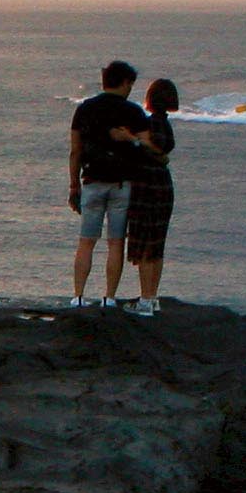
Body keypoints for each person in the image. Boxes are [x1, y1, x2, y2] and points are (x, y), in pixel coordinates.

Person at [66, 59, 146, 302]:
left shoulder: (85, 109)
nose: (131, 88)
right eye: (130, 83)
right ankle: (109, 297)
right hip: (122, 183)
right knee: (115, 243)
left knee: (86, 242)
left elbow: (75, 150)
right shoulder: (133, 111)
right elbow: (145, 146)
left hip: (91, 179)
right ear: (124, 82)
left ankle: (78, 296)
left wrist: (73, 185)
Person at [122, 79, 181, 312]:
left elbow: (144, 148)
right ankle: (152, 296)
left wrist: (130, 138)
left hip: (146, 186)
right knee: (157, 244)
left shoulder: (147, 126)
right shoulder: (166, 125)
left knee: (145, 242)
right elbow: (162, 153)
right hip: (163, 185)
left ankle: (146, 299)